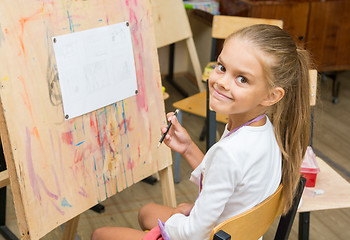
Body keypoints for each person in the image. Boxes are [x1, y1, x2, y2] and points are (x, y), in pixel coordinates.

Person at [91, 24, 312, 240]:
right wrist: (188, 148)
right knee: (147, 212)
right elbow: (227, 179)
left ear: (271, 96)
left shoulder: (230, 153)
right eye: (222, 67)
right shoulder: (265, 130)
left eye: (242, 79)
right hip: (235, 231)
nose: (222, 82)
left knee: (100, 234)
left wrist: (177, 218)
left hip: (206, 234)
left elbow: (193, 233)